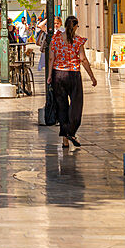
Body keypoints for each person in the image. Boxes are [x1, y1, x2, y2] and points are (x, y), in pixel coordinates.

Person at [48, 15, 97, 148]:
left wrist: (49, 75)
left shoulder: (56, 39)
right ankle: (71, 131)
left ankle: (65, 140)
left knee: (62, 107)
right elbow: (83, 60)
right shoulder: (78, 41)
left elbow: (51, 59)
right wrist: (92, 76)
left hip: (58, 74)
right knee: (76, 105)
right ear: (75, 26)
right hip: (73, 75)